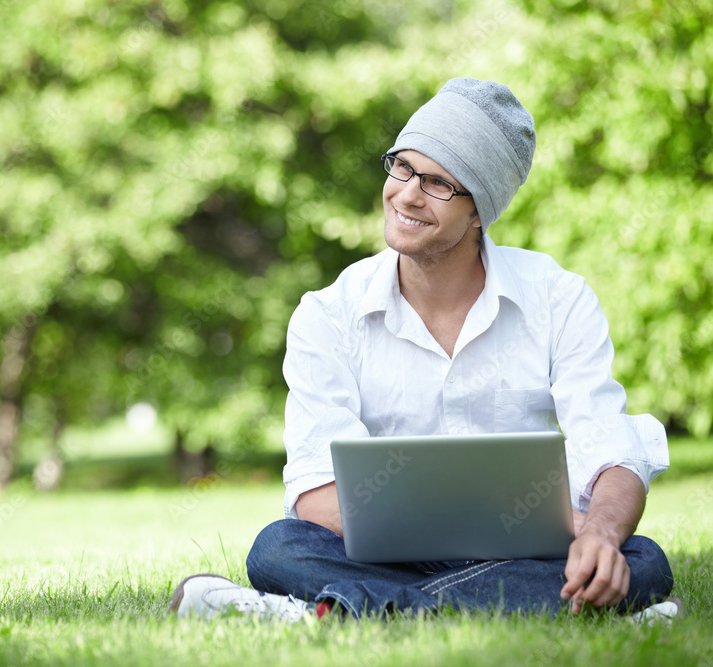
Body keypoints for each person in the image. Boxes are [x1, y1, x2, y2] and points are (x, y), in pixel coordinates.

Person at [169, 78, 677, 622]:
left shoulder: (559, 297)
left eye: (437, 183)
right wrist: (480, 533)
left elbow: (610, 443)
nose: (406, 193)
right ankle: (540, 605)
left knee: (639, 557)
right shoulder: (327, 313)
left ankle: (327, 613)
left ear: (479, 211)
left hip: (522, 552)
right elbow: (316, 493)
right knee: (279, 547)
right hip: (394, 556)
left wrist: (597, 533)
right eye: (402, 167)